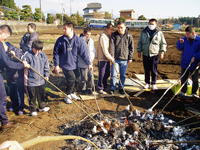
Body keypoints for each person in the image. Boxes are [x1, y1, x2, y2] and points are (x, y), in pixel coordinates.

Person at [53, 22, 92, 104]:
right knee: (71, 79)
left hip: (74, 64)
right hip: (65, 65)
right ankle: (67, 96)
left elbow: (84, 53)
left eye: (65, 28)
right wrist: (56, 65)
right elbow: (56, 53)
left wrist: (89, 63)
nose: (63, 30)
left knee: (78, 79)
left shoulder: (78, 41)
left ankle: (72, 93)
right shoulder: (60, 40)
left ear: (71, 29)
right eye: (63, 28)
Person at [0, 25, 29, 130]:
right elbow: (7, 64)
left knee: (17, 92)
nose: (6, 39)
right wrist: (22, 65)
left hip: (16, 76)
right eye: (6, 36)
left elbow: (20, 56)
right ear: (2, 32)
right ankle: (5, 120)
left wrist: (15, 57)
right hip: (9, 75)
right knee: (6, 96)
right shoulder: (1, 46)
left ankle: (18, 108)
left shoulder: (12, 48)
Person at [137, 18, 167, 90]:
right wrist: (139, 51)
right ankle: (147, 83)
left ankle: (153, 83)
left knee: (154, 70)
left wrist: (162, 52)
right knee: (146, 69)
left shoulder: (159, 33)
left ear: (156, 25)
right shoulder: (143, 32)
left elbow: (163, 43)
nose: (151, 25)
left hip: (154, 54)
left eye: (152, 24)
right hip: (145, 54)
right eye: (150, 24)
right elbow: (140, 42)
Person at [22, 40, 50, 116]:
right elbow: (22, 61)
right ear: (32, 47)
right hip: (30, 81)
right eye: (36, 49)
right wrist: (24, 63)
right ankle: (33, 110)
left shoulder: (42, 55)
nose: (37, 51)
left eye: (39, 50)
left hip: (40, 80)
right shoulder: (27, 55)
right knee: (32, 96)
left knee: (41, 94)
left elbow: (46, 65)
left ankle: (42, 106)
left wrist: (46, 75)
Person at [110, 21, 134, 95]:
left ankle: (121, 88)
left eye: (121, 28)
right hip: (115, 59)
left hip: (124, 59)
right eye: (118, 28)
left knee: (123, 75)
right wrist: (112, 56)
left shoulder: (129, 36)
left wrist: (130, 57)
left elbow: (131, 47)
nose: (120, 29)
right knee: (114, 74)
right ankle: (112, 88)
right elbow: (112, 46)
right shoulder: (114, 35)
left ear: (125, 27)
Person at [176, 26, 200, 97]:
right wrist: (180, 43)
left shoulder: (199, 40)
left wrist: (195, 57)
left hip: (195, 64)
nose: (186, 36)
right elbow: (179, 48)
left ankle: (194, 93)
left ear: (193, 33)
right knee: (183, 78)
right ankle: (183, 91)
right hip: (185, 62)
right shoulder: (184, 39)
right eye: (186, 34)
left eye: (188, 34)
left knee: (195, 79)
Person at [4, 42, 25, 115]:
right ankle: (14, 105)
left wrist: (15, 55)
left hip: (18, 76)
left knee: (19, 93)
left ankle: (21, 107)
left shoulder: (16, 50)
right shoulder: (3, 52)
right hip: (9, 76)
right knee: (11, 92)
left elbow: (22, 60)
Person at [97, 23, 115, 94]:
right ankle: (100, 87)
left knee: (107, 73)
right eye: (110, 29)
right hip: (102, 58)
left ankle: (104, 86)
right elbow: (105, 49)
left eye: (113, 30)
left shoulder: (108, 36)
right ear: (106, 29)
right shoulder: (103, 36)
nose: (112, 31)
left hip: (107, 58)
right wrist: (110, 57)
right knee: (102, 74)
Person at [79, 27, 96, 95]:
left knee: (91, 76)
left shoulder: (91, 41)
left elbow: (93, 50)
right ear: (84, 34)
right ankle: (83, 89)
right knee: (84, 77)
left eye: (89, 34)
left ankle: (89, 88)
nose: (88, 36)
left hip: (90, 62)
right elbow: (80, 53)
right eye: (87, 34)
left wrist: (91, 59)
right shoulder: (80, 41)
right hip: (82, 62)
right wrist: (87, 61)